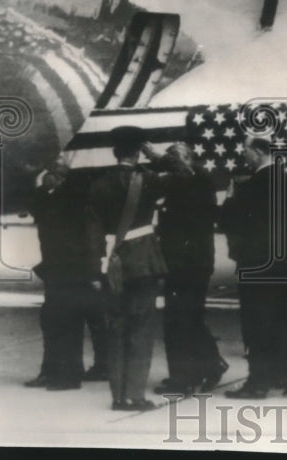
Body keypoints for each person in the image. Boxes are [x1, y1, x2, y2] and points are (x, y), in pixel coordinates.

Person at [220, 135, 287, 399]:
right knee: (279, 318)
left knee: (256, 324)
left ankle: (259, 382)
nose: (243, 155)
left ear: (258, 152)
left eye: (246, 150)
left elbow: (230, 221)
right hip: (282, 262)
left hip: (258, 264)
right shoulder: (284, 178)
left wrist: (228, 199)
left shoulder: (255, 184)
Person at [87, 126, 168, 411]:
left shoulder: (98, 184)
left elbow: (93, 230)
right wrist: (157, 158)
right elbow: (186, 177)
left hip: (113, 263)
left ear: (114, 151)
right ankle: (135, 394)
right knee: (141, 330)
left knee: (116, 329)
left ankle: (119, 396)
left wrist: (96, 268)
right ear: (138, 151)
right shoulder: (148, 180)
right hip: (143, 261)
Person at [151, 143, 228, 397]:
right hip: (182, 262)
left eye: (174, 159)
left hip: (191, 262)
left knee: (181, 318)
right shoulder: (185, 182)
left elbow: (182, 179)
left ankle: (187, 376)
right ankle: (205, 366)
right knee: (184, 318)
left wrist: (160, 159)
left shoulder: (197, 181)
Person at [26, 157, 107, 390]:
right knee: (59, 320)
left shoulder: (74, 201)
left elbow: (91, 238)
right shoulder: (53, 198)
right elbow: (36, 205)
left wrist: (93, 273)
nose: (48, 176)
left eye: (54, 173)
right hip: (61, 270)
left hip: (73, 271)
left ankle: (65, 374)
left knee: (65, 321)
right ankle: (57, 371)